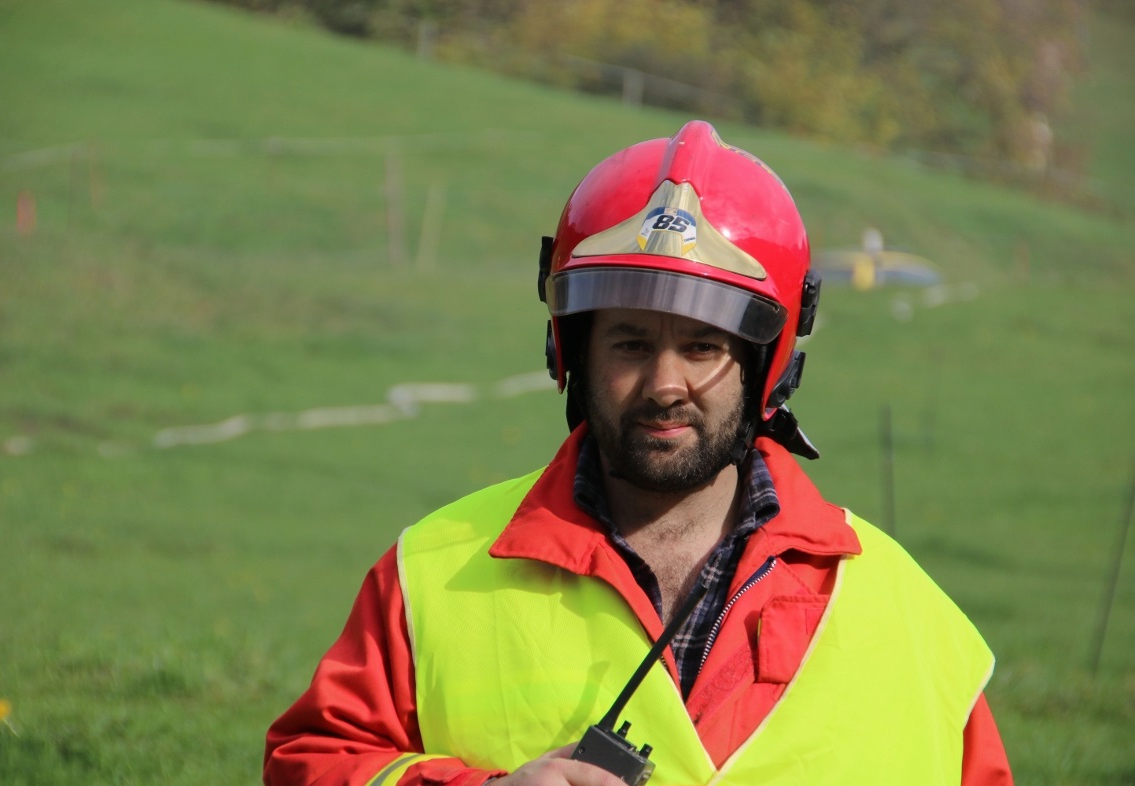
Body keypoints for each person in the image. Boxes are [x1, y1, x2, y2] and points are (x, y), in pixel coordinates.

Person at [264, 120, 1013, 786]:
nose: (665, 385)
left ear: (767, 363)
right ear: (572, 349)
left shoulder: (910, 618)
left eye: (702, 346)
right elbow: (311, 761)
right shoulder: (431, 575)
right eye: (630, 343)